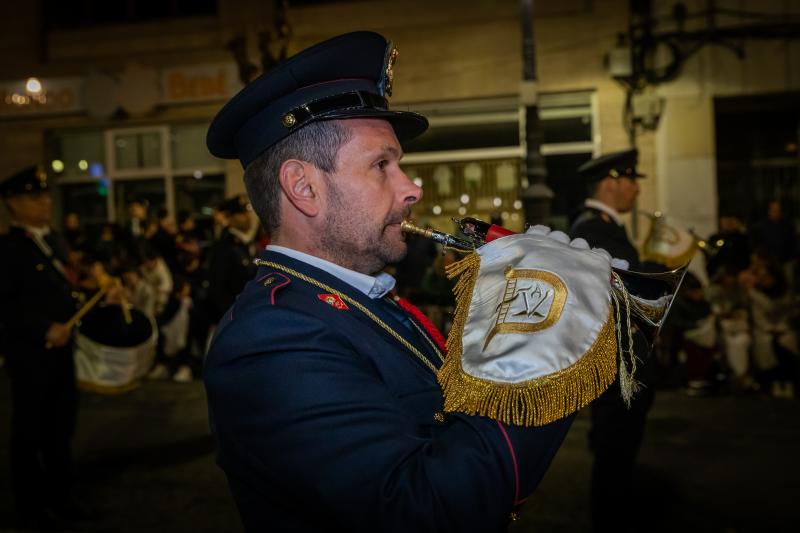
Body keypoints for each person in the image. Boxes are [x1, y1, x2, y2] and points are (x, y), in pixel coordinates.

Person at [204, 31, 574, 532]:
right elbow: (420, 510)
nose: (412, 188)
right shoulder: (271, 338)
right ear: (304, 187)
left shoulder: (362, 298)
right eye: (382, 165)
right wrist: (541, 338)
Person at [570, 149, 655, 533]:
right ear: (610, 183)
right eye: (631, 180)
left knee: (616, 449)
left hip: (619, 360)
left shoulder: (604, 226)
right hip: (617, 361)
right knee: (615, 453)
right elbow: (625, 289)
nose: (637, 189)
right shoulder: (595, 228)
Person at [0, 166, 84, 529]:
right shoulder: (8, 248)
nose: (44, 202)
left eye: (46, 195)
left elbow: (66, 291)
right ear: (12, 204)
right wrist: (42, 329)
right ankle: (31, 506)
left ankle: (60, 498)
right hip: (31, 354)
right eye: (34, 197)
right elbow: (5, 306)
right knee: (30, 430)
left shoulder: (53, 240)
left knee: (61, 428)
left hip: (63, 350)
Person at [206, 194, 256, 325]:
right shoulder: (225, 246)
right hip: (235, 317)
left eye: (247, 212)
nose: (248, 217)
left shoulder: (245, 243)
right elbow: (218, 288)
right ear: (231, 218)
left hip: (249, 313)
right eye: (242, 214)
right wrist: (232, 318)